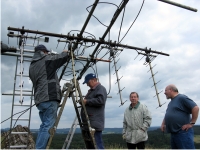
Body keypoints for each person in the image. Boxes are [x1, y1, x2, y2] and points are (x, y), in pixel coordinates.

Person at [29, 44, 69, 149]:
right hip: (49, 97)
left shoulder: (32, 66)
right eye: (47, 52)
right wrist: (66, 52)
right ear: (43, 52)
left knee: (44, 126)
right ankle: (39, 148)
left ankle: (39, 147)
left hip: (40, 100)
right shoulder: (45, 60)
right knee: (47, 126)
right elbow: (60, 58)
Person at [160, 84, 199, 149]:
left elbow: (196, 108)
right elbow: (168, 114)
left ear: (171, 90)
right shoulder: (171, 102)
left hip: (183, 133)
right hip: (174, 134)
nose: (164, 93)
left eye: (165, 90)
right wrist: (163, 123)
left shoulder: (181, 98)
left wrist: (192, 123)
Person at [80, 73, 107, 149]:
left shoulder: (100, 88)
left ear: (94, 80)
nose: (87, 84)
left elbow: (101, 101)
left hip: (94, 123)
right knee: (91, 146)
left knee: (97, 145)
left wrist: (87, 101)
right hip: (90, 123)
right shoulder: (93, 90)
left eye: (88, 82)